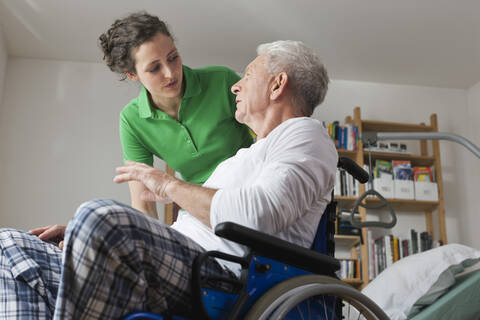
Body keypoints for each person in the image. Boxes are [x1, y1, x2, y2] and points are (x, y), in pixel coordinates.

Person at [0, 40, 337, 319]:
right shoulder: (244, 156)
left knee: (98, 216)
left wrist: (167, 185)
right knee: (11, 247)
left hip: (218, 275)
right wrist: (84, 238)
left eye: (248, 75)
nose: (235, 84)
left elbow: (257, 216)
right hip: (175, 260)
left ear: (277, 85)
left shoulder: (305, 135)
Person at [100, 12, 253, 218]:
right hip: (200, 207)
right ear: (132, 74)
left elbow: (268, 135)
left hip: (250, 189)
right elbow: (143, 202)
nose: (171, 73)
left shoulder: (221, 80)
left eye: (173, 58)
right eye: (155, 68)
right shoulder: (132, 120)